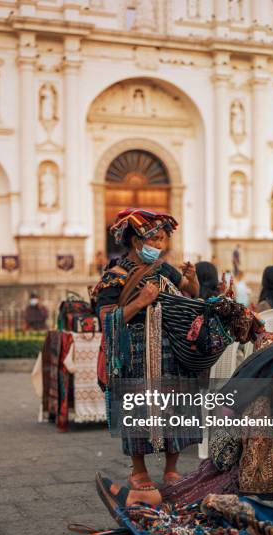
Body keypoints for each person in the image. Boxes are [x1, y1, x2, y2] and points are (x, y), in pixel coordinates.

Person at [96, 293, 273, 510]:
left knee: (231, 478)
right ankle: (154, 498)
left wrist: (270, 347)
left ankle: (159, 505)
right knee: (213, 468)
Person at [93, 208, 200, 499]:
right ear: (137, 241)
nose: (160, 246)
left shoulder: (164, 269)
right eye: (155, 240)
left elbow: (189, 292)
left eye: (163, 240)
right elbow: (106, 319)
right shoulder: (114, 277)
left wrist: (192, 279)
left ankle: (171, 468)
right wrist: (140, 301)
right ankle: (138, 470)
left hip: (170, 349)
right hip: (135, 353)